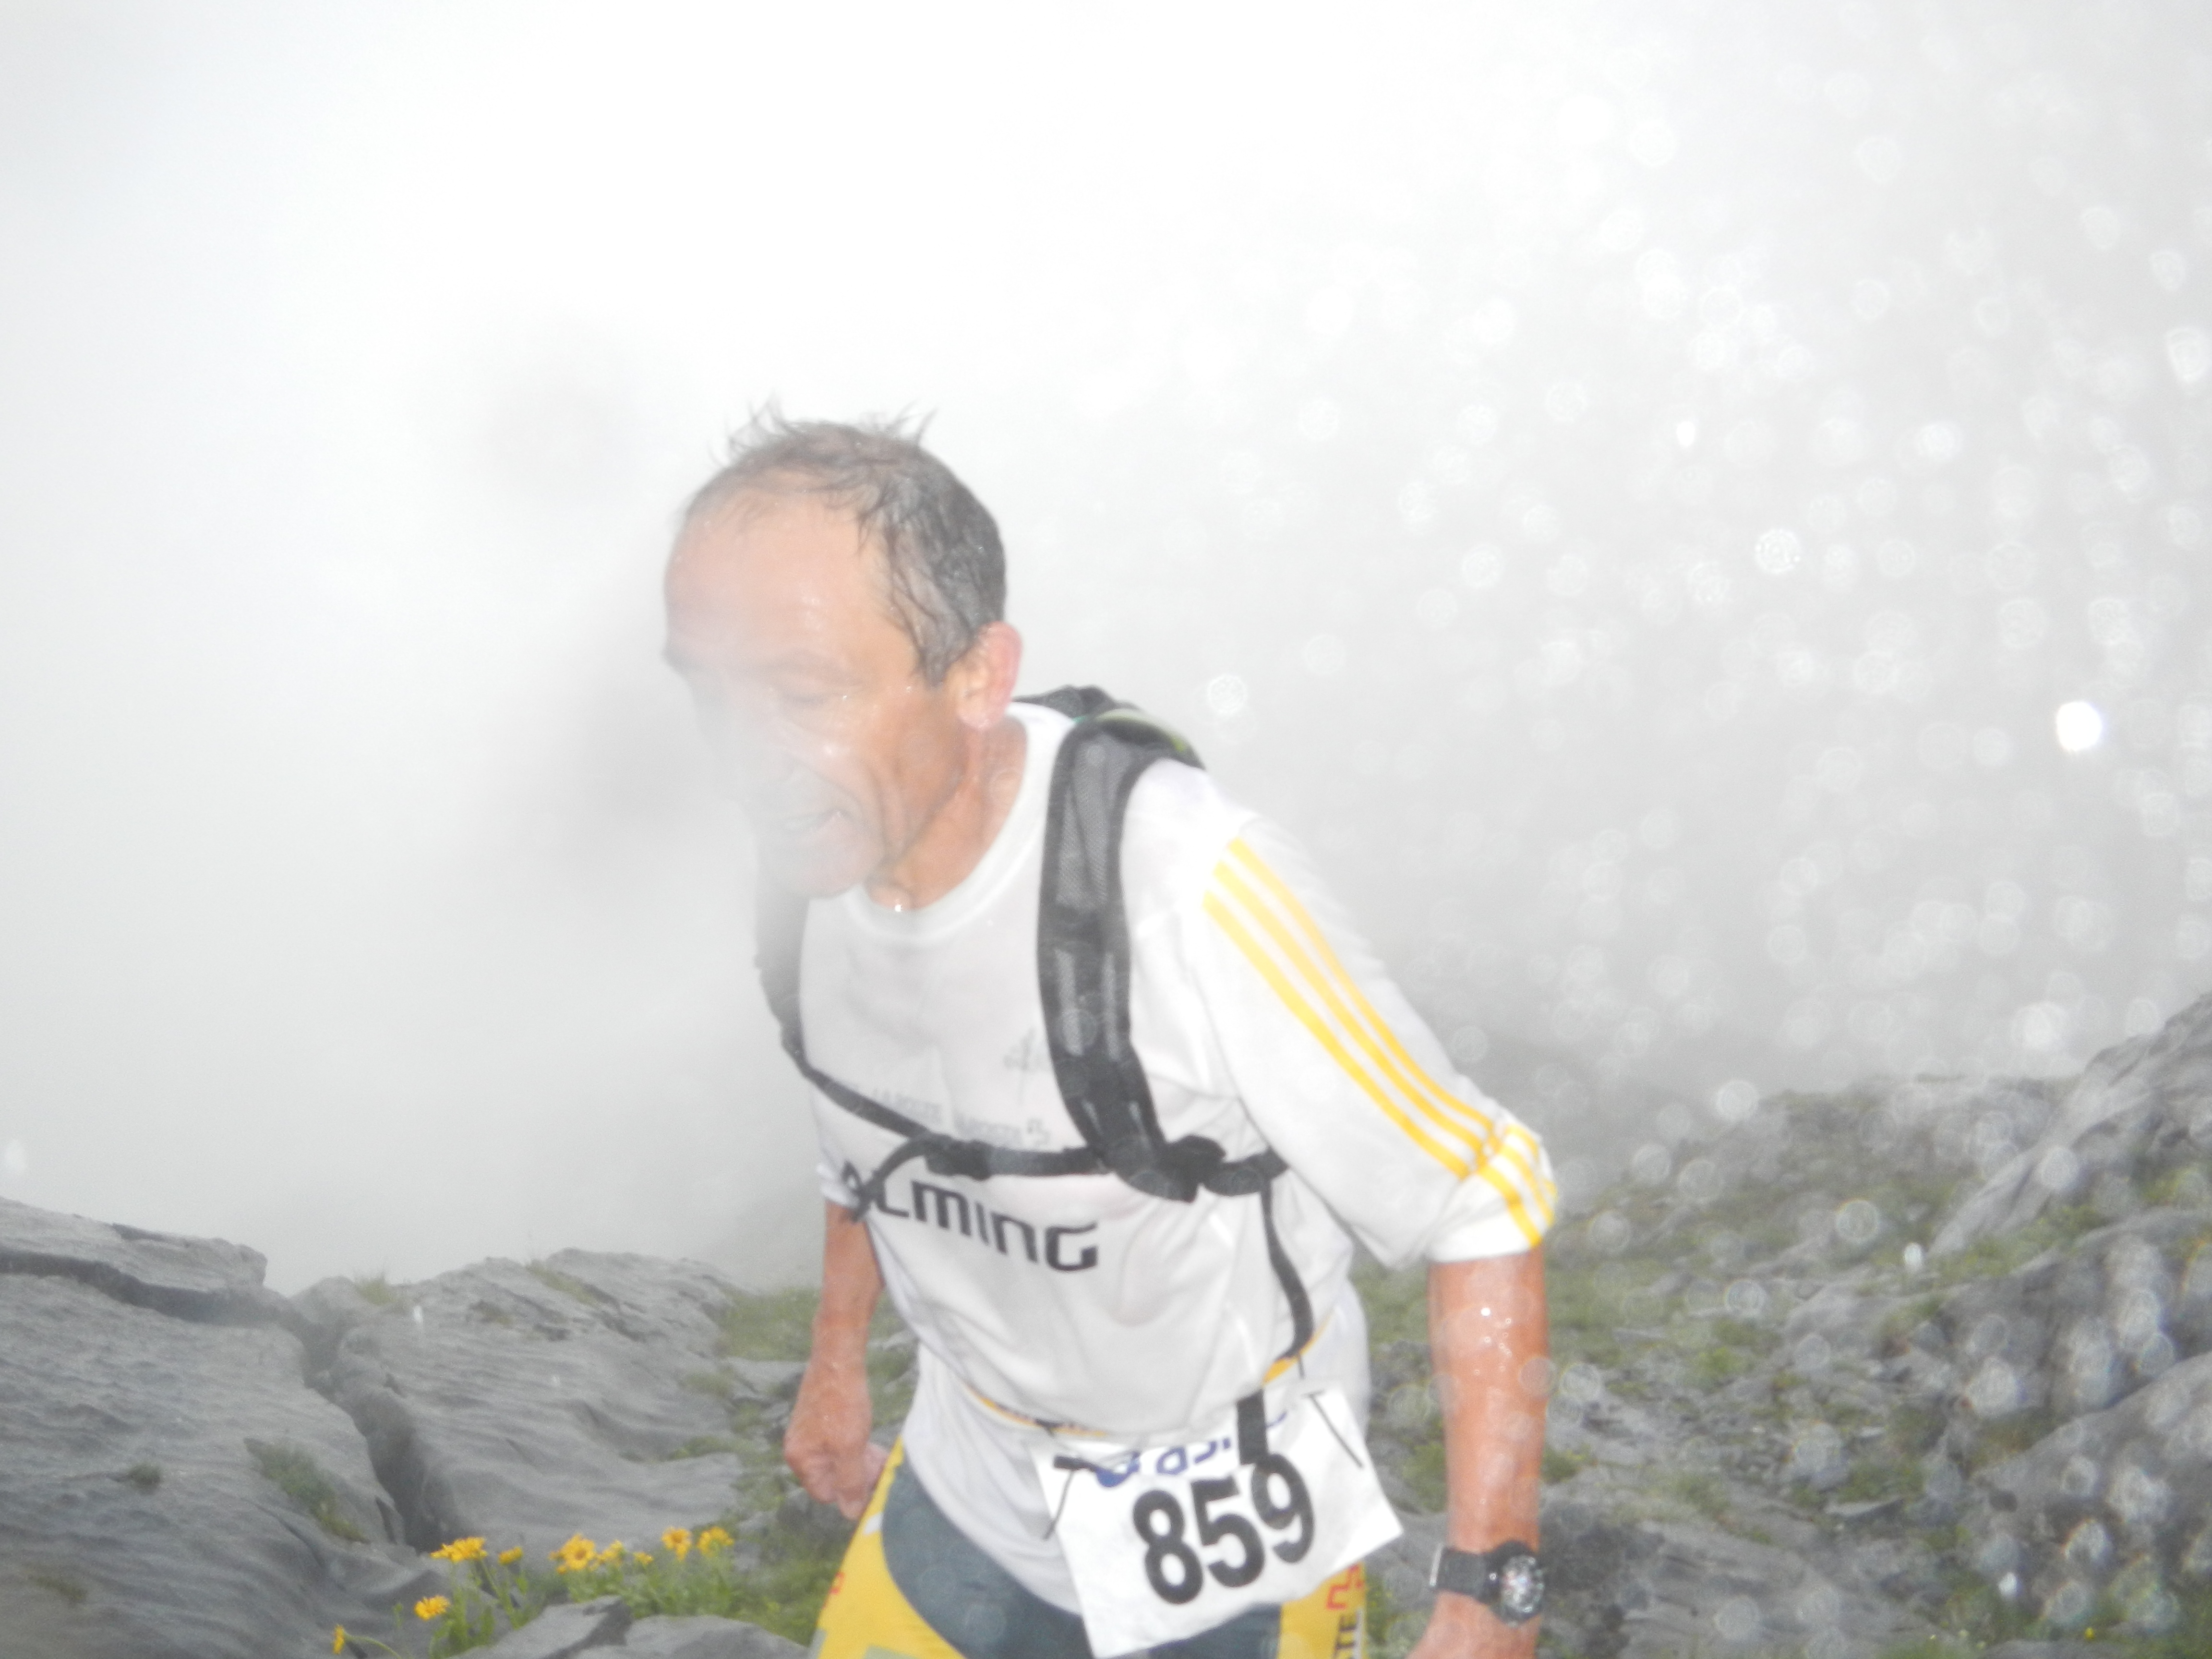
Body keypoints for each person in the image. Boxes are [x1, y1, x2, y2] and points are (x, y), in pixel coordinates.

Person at [663, 415, 1554, 1659]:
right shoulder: (809, 874)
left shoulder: (1190, 887)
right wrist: (835, 1365)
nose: (743, 761)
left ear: (976, 677)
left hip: (1228, 1536)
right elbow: (862, 1129)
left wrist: (1488, 1594)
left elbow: (1479, 1197)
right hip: (965, 1489)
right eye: (709, 694)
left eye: (804, 694)